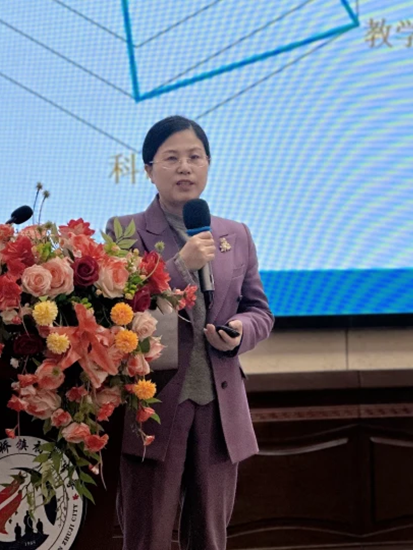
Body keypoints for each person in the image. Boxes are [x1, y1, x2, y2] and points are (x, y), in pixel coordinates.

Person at [106, 115, 274, 550]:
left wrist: (240, 332)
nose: (185, 167)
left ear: (208, 164)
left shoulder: (235, 235)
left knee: (210, 539)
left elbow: (259, 311)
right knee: (147, 538)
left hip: (219, 411)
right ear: (148, 170)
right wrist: (181, 266)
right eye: (172, 158)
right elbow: (121, 314)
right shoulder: (124, 232)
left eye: (195, 157)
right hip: (154, 407)